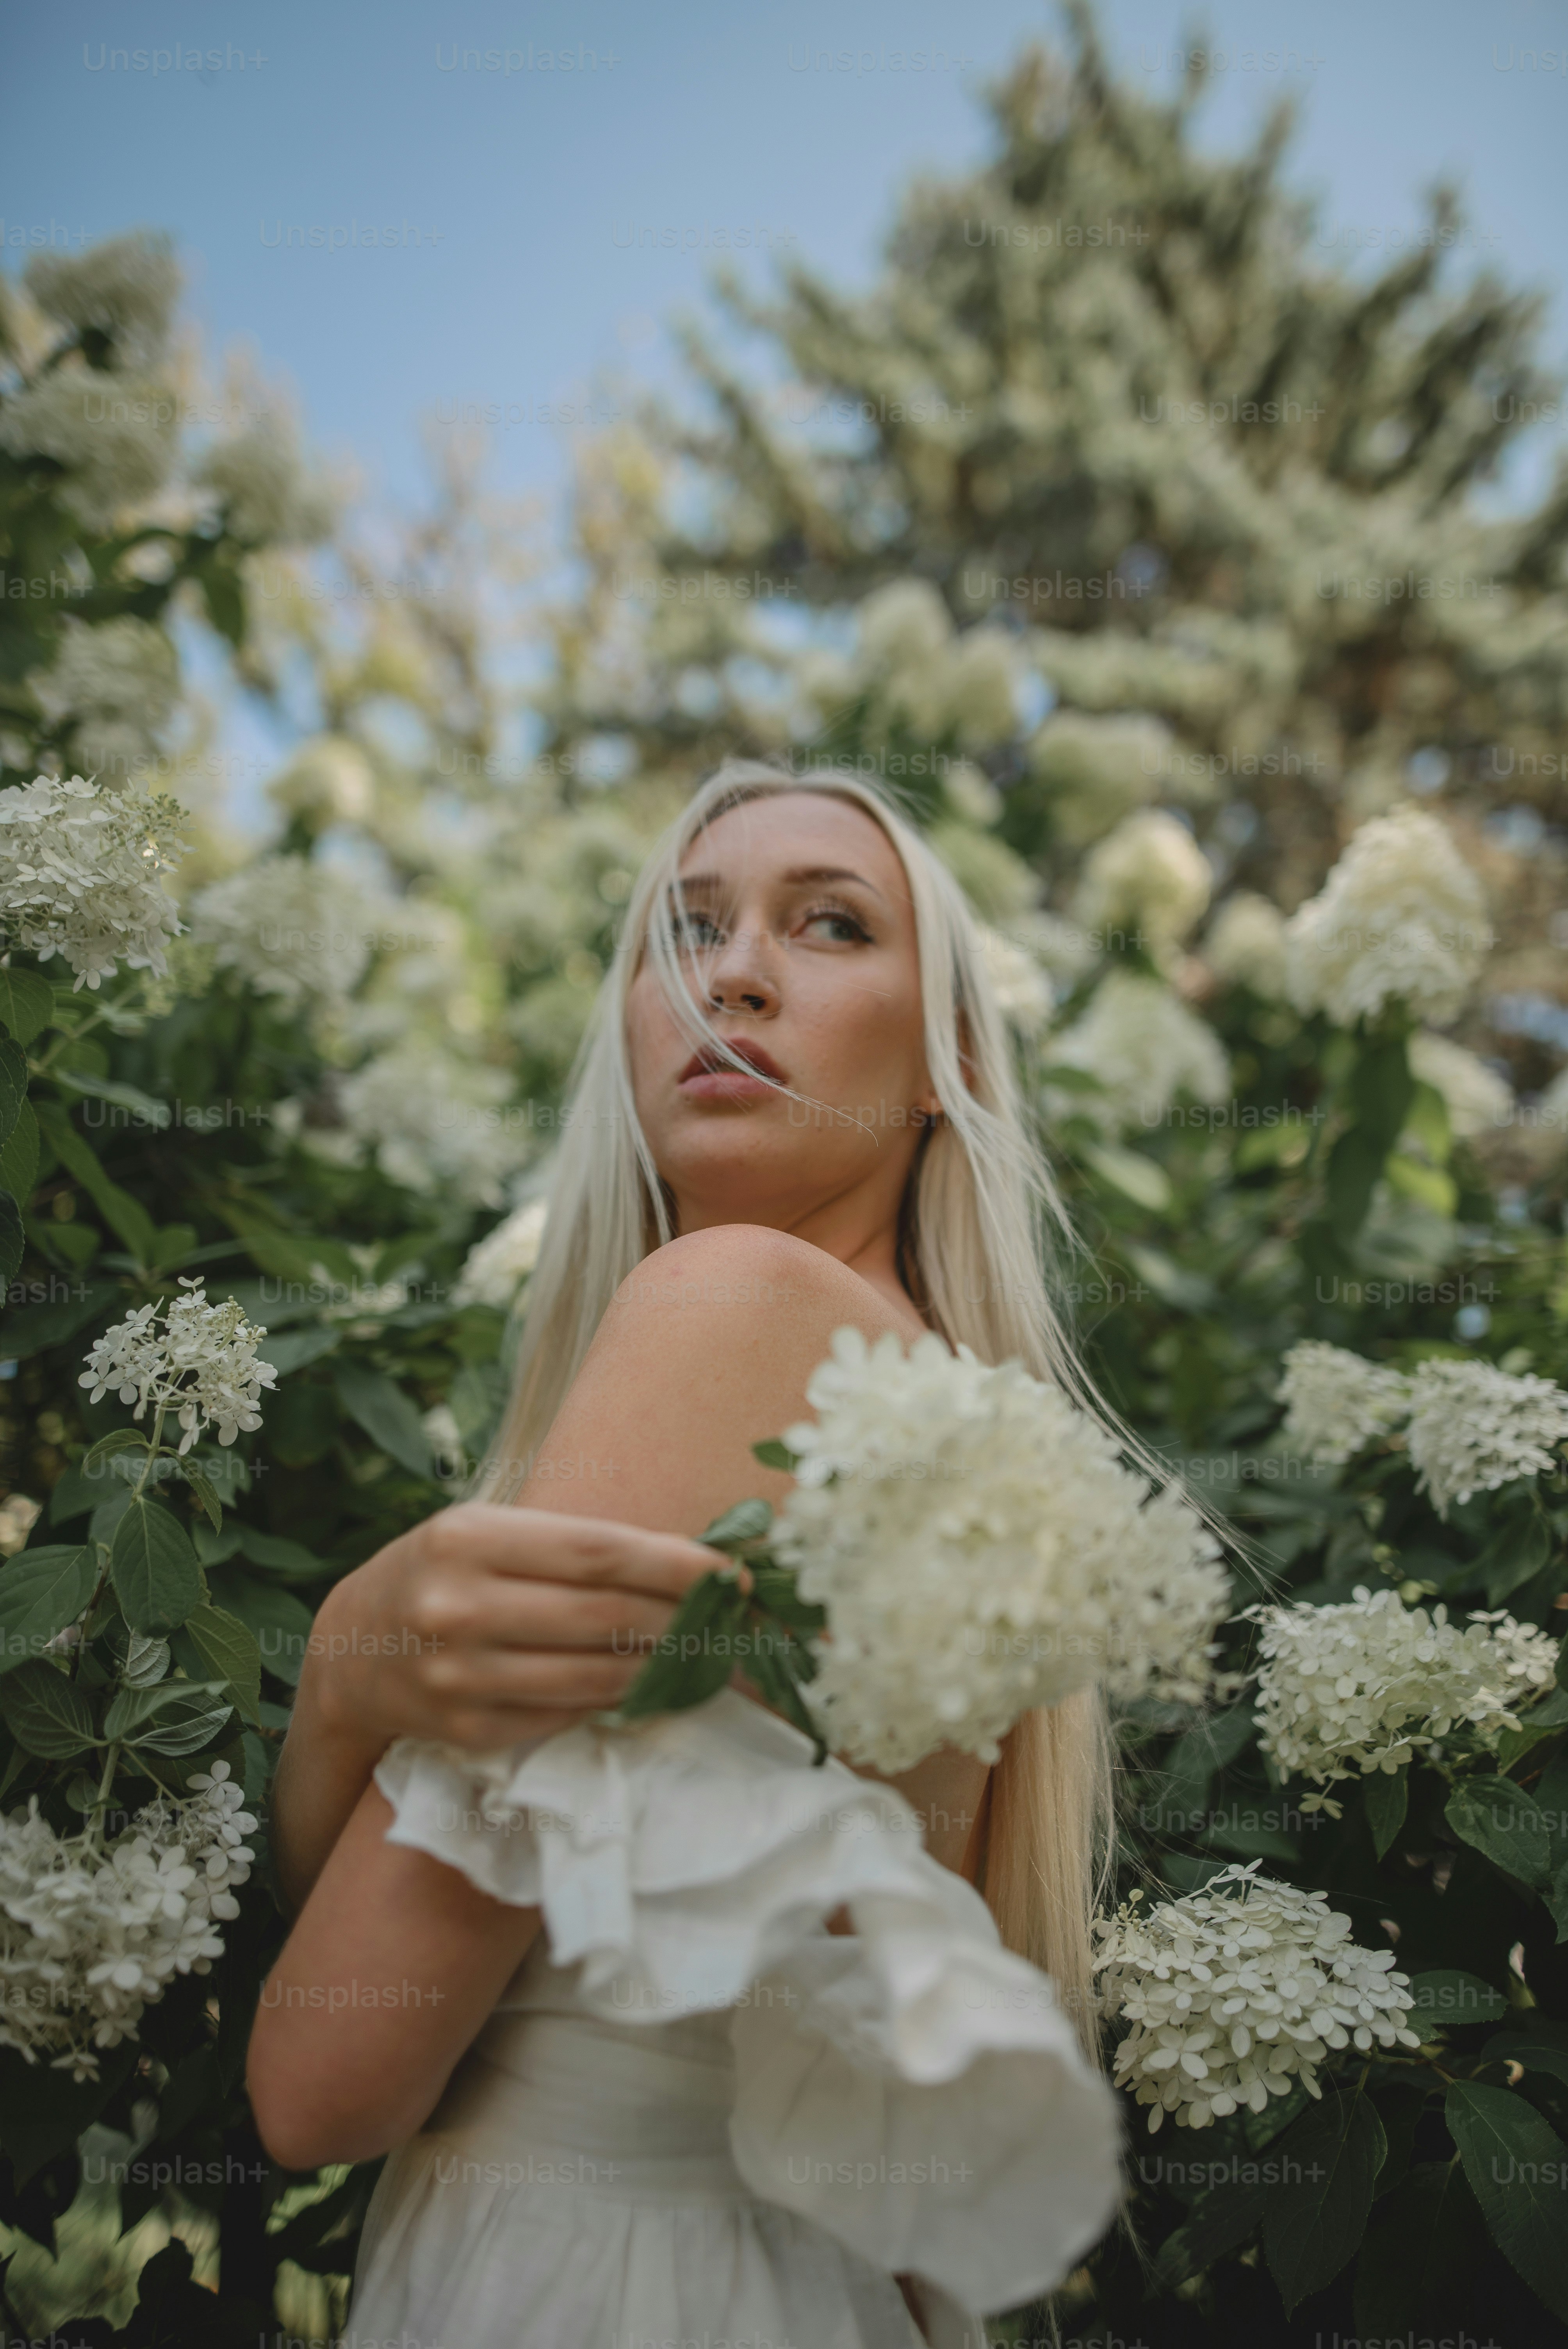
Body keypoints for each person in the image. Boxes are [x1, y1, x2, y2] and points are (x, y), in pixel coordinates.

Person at [248, 761, 1125, 2348]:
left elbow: (321, 2087)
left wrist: (341, 1677)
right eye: (689, 928)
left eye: (830, 923)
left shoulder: (729, 1305)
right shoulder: (953, 1426)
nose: (734, 974)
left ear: (945, 1059)